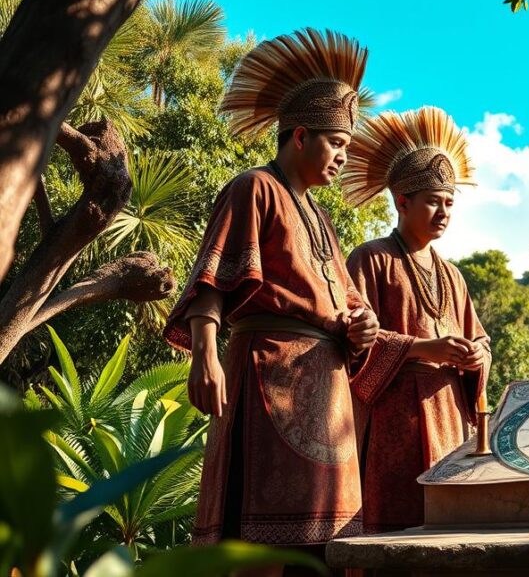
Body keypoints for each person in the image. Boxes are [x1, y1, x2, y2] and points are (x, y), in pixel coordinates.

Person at [163, 29, 379, 556]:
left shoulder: (322, 218)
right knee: (256, 542)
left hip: (328, 393)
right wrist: (205, 358)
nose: (343, 158)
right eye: (336, 144)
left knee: (327, 547)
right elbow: (214, 278)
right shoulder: (253, 187)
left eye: (349, 148)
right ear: (300, 136)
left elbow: (348, 301)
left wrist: (362, 323)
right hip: (268, 375)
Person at [340, 106, 491, 533]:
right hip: (394, 415)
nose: (443, 212)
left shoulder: (453, 274)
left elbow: (480, 338)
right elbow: (351, 340)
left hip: (449, 412)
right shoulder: (371, 258)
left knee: (446, 525)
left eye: (449, 203)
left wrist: (476, 355)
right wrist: (425, 349)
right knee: (394, 522)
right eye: (433, 202)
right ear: (402, 202)